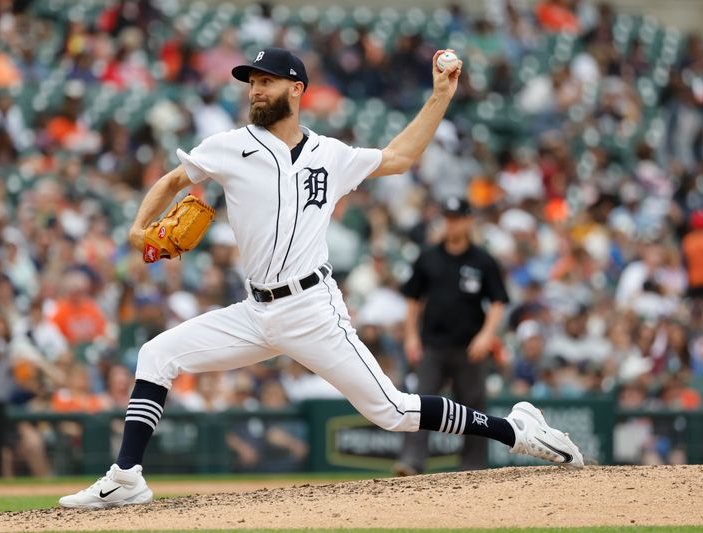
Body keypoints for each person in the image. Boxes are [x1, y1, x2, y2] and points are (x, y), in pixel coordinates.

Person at [59, 47, 583, 509]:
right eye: (252, 82)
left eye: (266, 81)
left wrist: (440, 96)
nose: (256, 90)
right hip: (255, 311)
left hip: (311, 309)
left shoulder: (330, 155)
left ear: (296, 89)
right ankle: (127, 477)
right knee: (156, 355)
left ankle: (516, 432)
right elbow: (174, 179)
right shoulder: (228, 145)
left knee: (393, 411)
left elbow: (401, 156)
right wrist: (137, 229)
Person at [393, 197, 509, 475]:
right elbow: (412, 299)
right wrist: (411, 336)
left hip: (469, 346)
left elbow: (498, 301)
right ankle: (412, 461)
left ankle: (473, 465)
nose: (452, 224)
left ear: (469, 221)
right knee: (420, 402)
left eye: (457, 218)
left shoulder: (483, 260)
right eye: (448, 218)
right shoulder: (429, 257)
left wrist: (487, 335)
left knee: (474, 405)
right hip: (432, 344)